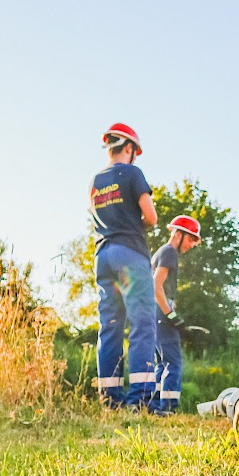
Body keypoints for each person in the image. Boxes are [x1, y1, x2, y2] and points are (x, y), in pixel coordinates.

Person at [89, 123, 158, 408]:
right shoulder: (132, 173)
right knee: (142, 322)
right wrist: (136, 225)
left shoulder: (96, 179)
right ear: (129, 148)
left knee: (110, 326)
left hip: (103, 255)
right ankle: (140, 399)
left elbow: (92, 214)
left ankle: (109, 398)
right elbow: (151, 217)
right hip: (130, 254)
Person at [150, 216, 201, 414]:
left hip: (154, 311)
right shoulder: (169, 252)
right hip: (161, 311)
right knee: (173, 361)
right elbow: (156, 285)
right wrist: (171, 316)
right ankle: (169, 407)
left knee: (161, 363)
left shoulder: (160, 252)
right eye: (190, 240)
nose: (191, 245)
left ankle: (155, 406)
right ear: (178, 234)